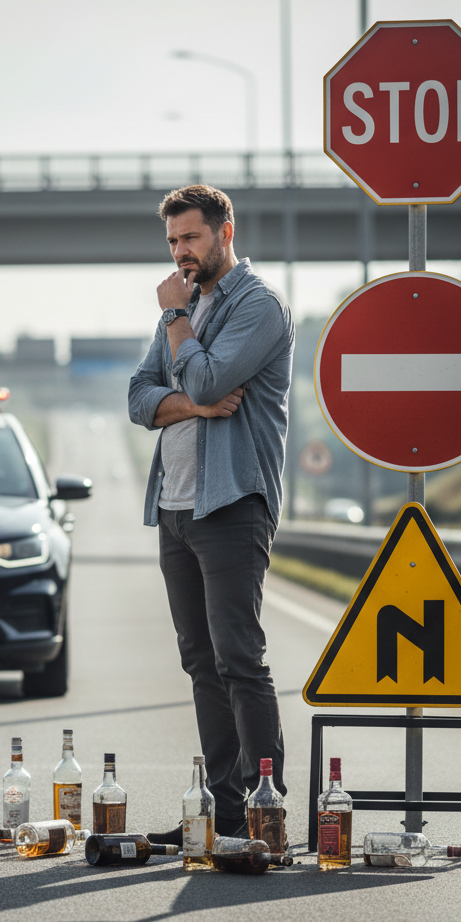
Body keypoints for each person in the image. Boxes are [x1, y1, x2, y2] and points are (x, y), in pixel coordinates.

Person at [128, 184, 293, 841]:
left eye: (190, 238)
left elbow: (200, 378)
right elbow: (141, 398)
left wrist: (178, 332)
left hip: (230, 504)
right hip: (174, 505)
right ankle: (223, 817)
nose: (180, 252)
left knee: (239, 661)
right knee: (200, 663)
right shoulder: (186, 305)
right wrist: (194, 404)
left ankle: (263, 811)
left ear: (227, 232)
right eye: (172, 241)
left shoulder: (258, 307)